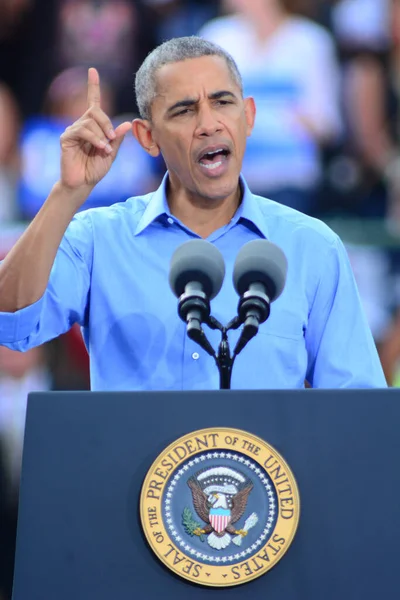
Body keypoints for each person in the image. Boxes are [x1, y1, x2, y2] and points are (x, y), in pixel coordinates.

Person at [0, 36, 386, 390]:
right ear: (147, 138)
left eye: (222, 102)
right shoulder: (97, 239)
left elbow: (357, 407)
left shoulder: (312, 247)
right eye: (184, 110)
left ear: (248, 116)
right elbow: (11, 322)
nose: (208, 124)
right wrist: (67, 193)